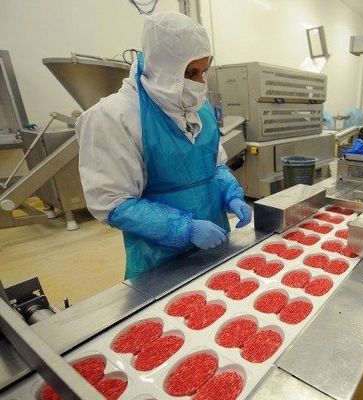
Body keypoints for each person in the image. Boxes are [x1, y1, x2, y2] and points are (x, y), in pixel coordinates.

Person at [76, 12, 251, 279]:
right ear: (163, 66)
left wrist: (232, 194)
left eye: (203, 71)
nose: (199, 82)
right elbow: (113, 203)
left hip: (215, 243)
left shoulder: (199, 107)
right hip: (158, 258)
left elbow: (213, 165)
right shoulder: (115, 116)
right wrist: (184, 228)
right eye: (191, 72)